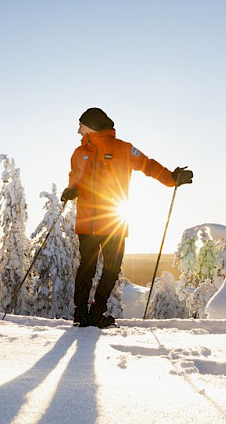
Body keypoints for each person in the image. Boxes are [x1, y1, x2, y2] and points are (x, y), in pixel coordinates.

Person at [62, 107, 193, 328]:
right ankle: (80, 314)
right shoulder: (78, 153)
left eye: (81, 126)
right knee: (87, 268)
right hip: (87, 221)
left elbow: (147, 165)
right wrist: (71, 190)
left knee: (112, 269)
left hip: (114, 220)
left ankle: (96, 312)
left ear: (92, 125)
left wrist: (172, 178)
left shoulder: (123, 149)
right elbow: (75, 177)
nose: (78, 130)